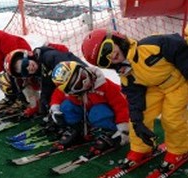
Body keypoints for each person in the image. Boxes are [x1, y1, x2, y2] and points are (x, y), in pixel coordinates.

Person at [81, 28, 188, 176]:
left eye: (107, 48)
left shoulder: (149, 47)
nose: (110, 56)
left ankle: (179, 150)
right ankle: (141, 148)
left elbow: (178, 45)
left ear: (117, 39)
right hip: (155, 88)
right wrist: (138, 123)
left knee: (172, 118)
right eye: (104, 60)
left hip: (178, 83)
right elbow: (134, 98)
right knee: (140, 116)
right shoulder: (126, 72)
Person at [49, 61, 129, 150]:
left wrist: (124, 129)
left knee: (97, 113)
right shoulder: (73, 93)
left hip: (112, 113)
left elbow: (122, 106)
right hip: (87, 110)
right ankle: (78, 130)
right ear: (71, 90)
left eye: (83, 75)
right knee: (66, 106)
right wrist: (55, 108)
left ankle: (111, 131)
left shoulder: (105, 85)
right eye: (78, 84)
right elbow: (58, 93)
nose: (85, 82)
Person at [4, 44, 86, 118]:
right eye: (24, 72)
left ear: (28, 56)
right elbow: (47, 85)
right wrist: (43, 103)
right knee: (47, 102)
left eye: (25, 63)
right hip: (77, 88)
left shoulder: (49, 57)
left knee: (65, 107)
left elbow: (69, 78)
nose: (28, 68)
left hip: (84, 82)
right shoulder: (41, 68)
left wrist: (54, 102)